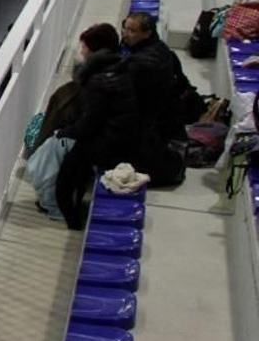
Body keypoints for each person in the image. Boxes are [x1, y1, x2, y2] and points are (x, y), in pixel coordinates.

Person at [53, 24, 145, 229]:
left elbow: (88, 125)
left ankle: (74, 224)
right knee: (77, 169)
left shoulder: (98, 81)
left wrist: (62, 132)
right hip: (121, 138)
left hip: (106, 144)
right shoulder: (120, 68)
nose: (81, 52)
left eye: (84, 47)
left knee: (63, 187)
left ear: (95, 50)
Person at [120, 12, 191, 185]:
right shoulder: (162, 49)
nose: (125, 34)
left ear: (147, 33)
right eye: (125, 29)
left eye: (132, 31)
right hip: (163, 122)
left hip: (152, 127)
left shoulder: (141, 64)